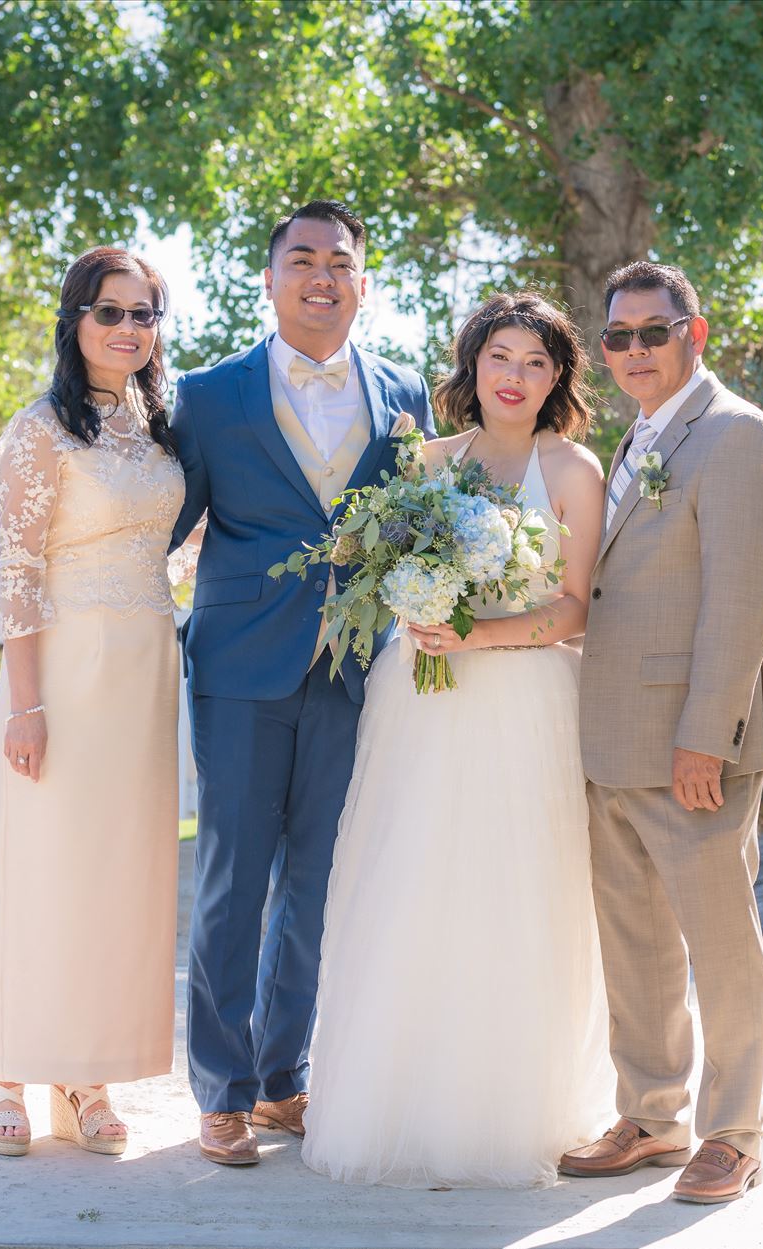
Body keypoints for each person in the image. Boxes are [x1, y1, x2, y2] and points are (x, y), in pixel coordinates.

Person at [301, 292, 612, 1189]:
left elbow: (572, 607)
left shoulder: (573, 470)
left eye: (536, 363)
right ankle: (403, 1100)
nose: (514, 377)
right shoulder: (428, 461)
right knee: (414, 880)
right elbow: (378, 565)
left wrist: (475, 634)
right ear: (472, 365)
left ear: (557, 379)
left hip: (524, 699)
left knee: (514, 890)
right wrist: (421, 603)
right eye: (500, 357)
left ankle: (505, 1109)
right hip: (423, 699)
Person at [166, 200, 434, 1166]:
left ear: (364, 281)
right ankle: (221, 1089)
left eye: (341, 262)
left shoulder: (405, 393)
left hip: (356, 671)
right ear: (270, 277)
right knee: (234, 878)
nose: (323, 276)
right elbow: (163, 524)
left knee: (318, 882)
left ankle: (284, 1078)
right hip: (240, 664)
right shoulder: (206, 393)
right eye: (303, 260)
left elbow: (421, 524)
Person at [558, 261, 763, 1204]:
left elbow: (742, 603)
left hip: (694, 742)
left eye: (654, 332)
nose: (634, 351)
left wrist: (708, 737)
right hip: (614, 735)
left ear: (696, 334)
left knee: (719, 940)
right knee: (636, 938)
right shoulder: (635, 440)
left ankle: (732, 1131)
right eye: (618, 336)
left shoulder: (735, 435)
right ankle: (653, 1114)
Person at [0, 247, 190, 1157]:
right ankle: (5, 1070)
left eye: (144, 314)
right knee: (46, 868)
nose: (129, 329)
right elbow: (17, 572)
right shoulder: (39, 431)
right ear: (75, 322)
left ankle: (86, 1073)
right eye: (111, 312)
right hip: (61, 673)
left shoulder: (161, 429)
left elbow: (170, 546)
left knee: (120, 880)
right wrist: (26, 706)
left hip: (146, 671)